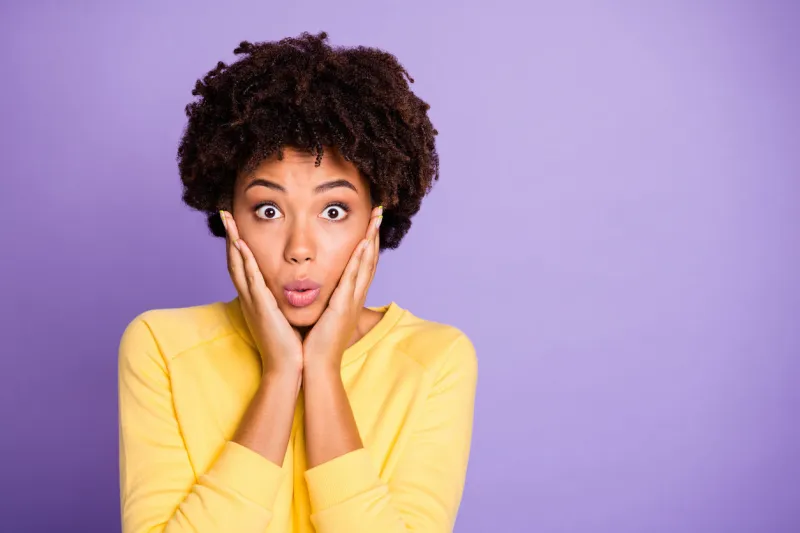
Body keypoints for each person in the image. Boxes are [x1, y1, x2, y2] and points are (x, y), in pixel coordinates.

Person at [118, 31, 478, 533]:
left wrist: (324, 372)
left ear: (375, 220)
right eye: (268, 210)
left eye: (334, 210)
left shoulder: (435, 360)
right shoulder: (162, 347)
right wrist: (280, 374)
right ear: (229, 217)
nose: (299, 248)